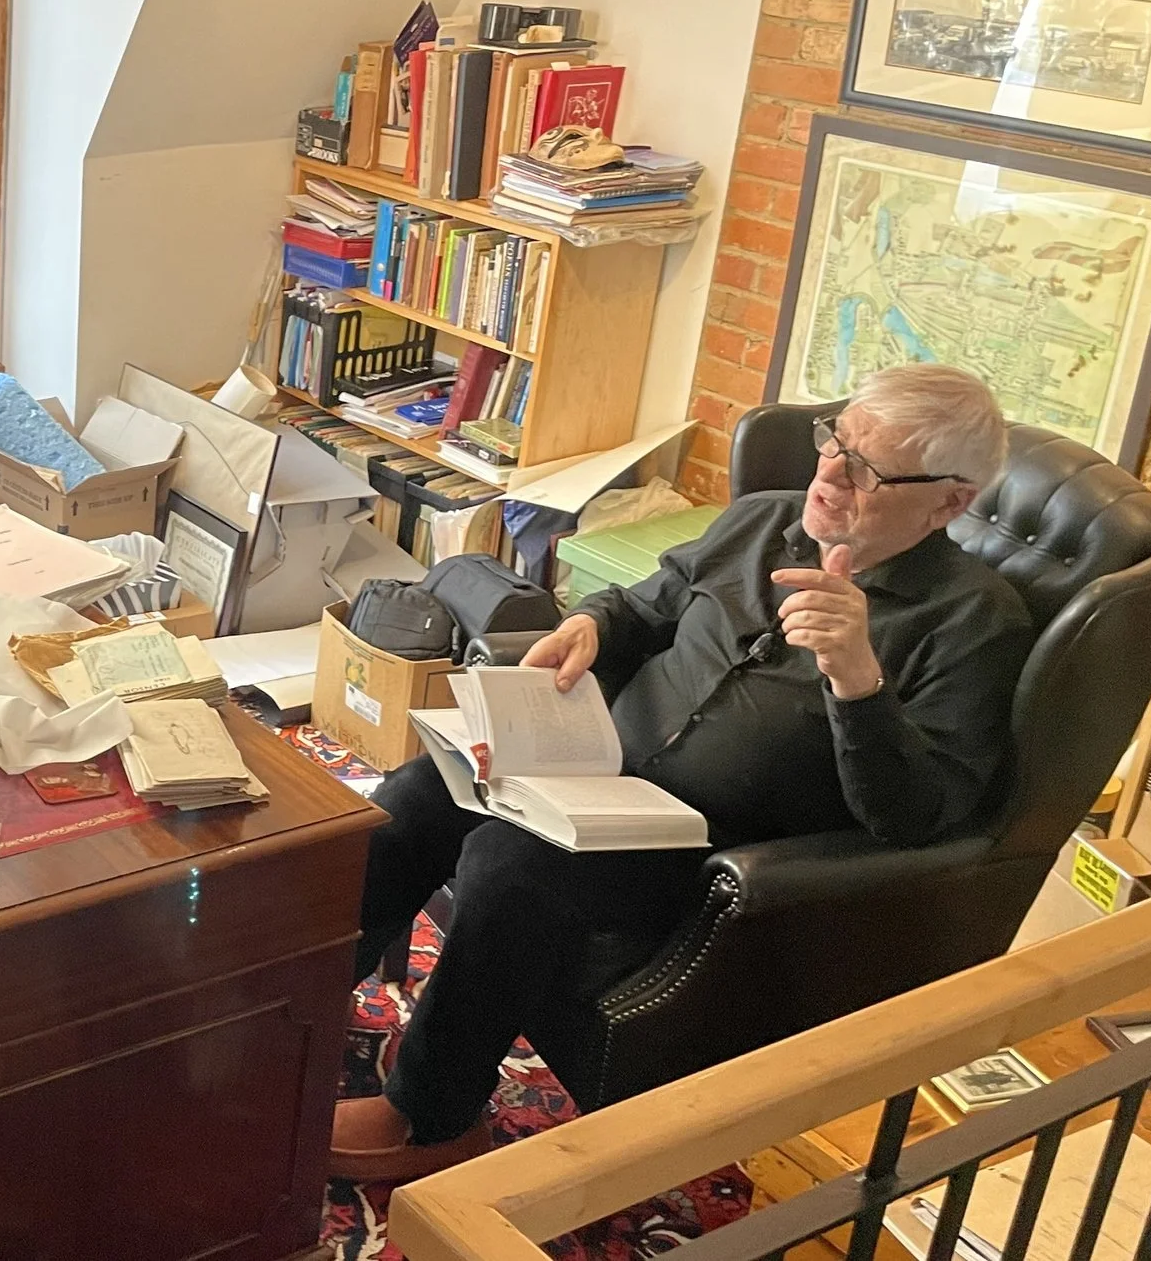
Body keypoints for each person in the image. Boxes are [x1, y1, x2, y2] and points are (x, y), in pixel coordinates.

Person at [331, 363, 1034, 1183]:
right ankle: (302, 999)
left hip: (708, 851)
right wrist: (591, 624)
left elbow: (918, 818)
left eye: (867, 471)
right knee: (419, 795)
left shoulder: (974, 621)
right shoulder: (761, 521)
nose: (831, 475)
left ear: (951, 501)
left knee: (509, 863)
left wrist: (856, 679)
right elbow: (646, 604)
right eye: (834, 443)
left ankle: (432, 1117)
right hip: (601, 775)